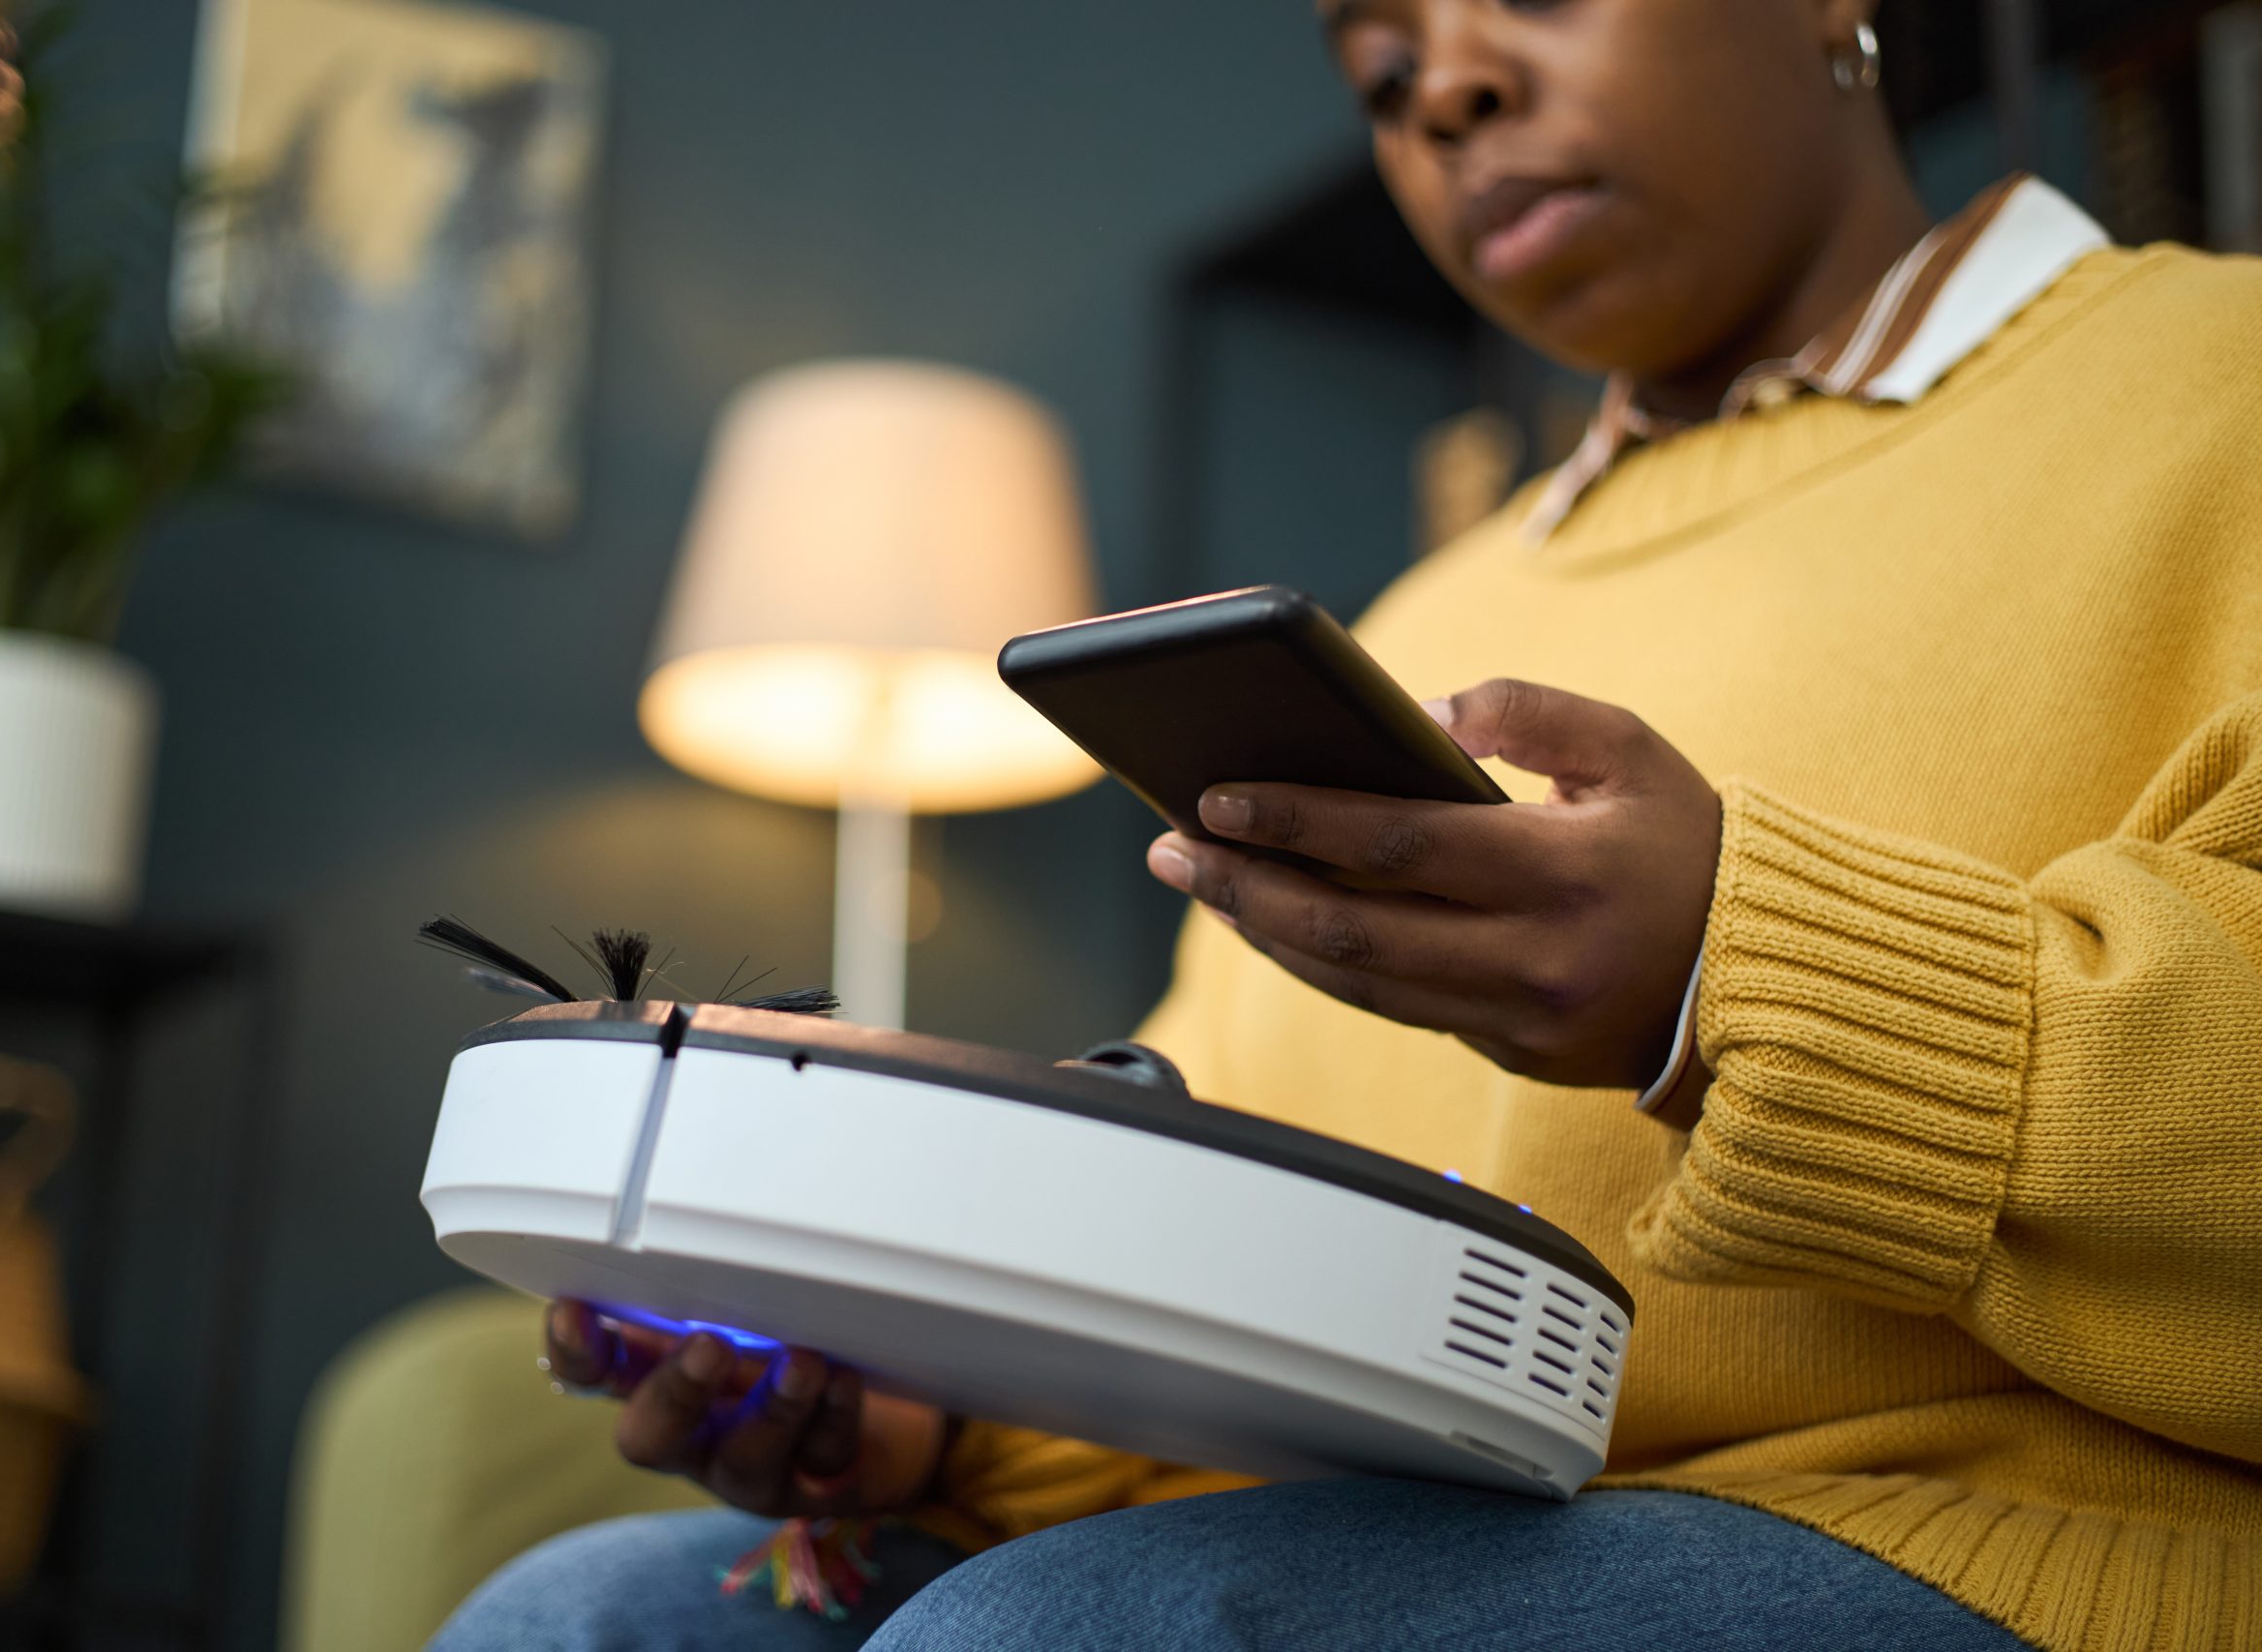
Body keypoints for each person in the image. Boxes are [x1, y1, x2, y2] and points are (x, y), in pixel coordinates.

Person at [437, 0, 2262, 1645]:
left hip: (2010, 1542)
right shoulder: (1423, 618)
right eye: (1383, 74)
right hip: (1414, 1536)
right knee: (577, 1617)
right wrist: (932, 1408)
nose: (1446, 90)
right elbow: (1245, 1216)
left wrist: (1736, 973)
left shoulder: (2220, 390)